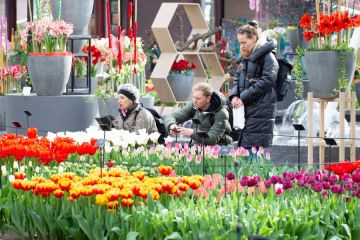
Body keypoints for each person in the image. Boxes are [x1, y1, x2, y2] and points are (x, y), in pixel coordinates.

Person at [229, 23, 279, 149]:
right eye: (240, 42)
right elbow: (237, 77)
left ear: (254, 39)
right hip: (246, 106)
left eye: (244, 42)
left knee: (252, 149)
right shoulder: (245, 56)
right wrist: (234, 95)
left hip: (261, 107)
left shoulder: (268, 56)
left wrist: (243, 97)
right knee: (245, 148)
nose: (241, 46)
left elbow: (268, 80)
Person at [165, 82, 232, 145]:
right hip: (198, 145)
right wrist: (171, 125)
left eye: (198, 98)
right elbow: (171, 116)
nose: (194, 101)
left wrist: (192, 133)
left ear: (208, 99)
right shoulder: (193, 105)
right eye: (194, 97)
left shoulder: (221, 113)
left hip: (220, 148)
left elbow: (213, 139)